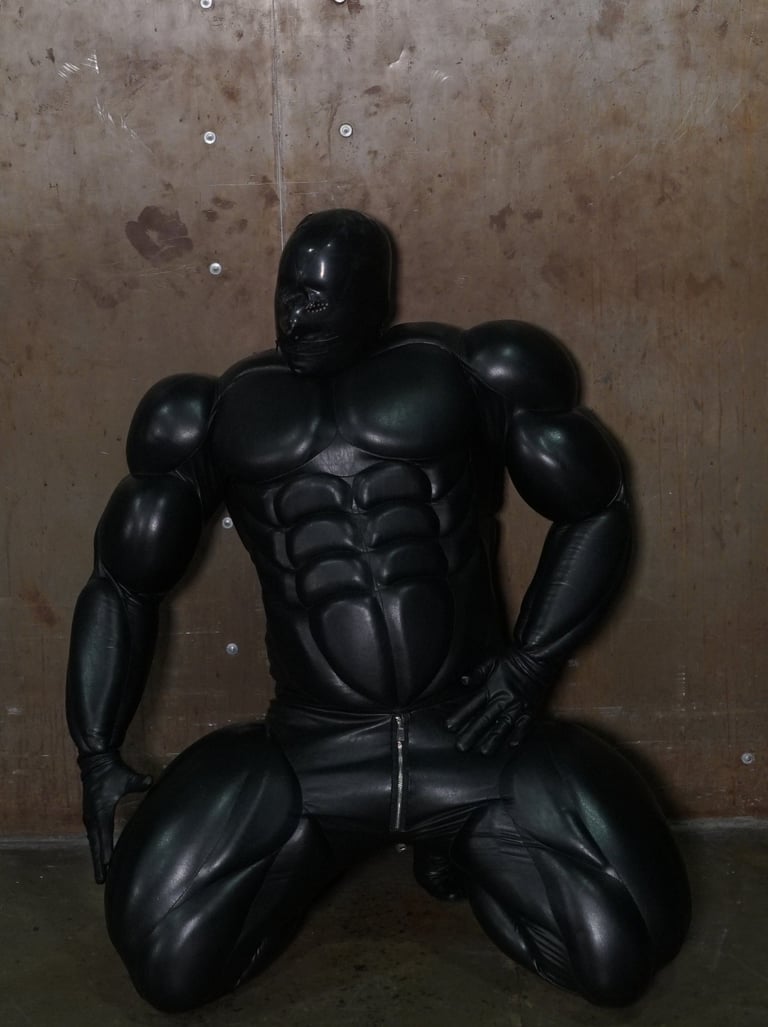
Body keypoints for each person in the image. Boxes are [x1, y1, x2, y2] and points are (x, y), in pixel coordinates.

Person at [66, 209, 690, 1012]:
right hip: (313, 749)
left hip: (472, 731)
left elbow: (595, 507)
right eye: (288, 292)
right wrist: (96, 745)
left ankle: (462, 846)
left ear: (374, 298)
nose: (294, 316)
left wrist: (528, 667)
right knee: (168, 967)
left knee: (621, 953)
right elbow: (121, 581)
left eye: (317, 298)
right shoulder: (212, 412)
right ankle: (334, 851)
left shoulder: (473, 369)